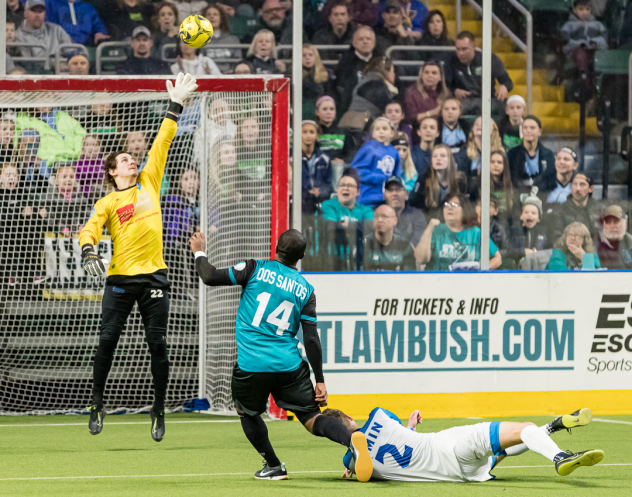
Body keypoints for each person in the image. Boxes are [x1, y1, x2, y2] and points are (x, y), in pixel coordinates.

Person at [79, 72, 198, 441]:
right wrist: (87, 250)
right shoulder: (108, 201)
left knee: (158, 345)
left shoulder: (150, 181)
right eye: (126, 160)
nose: (133, 161)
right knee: (106, 342)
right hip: (120, 279)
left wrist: (175, 105)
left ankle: (158, 409)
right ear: (112, 172)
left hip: (155, 277)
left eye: (134, 158)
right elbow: (89, 229)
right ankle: (97, 402)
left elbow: (162, 140)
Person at [190, 228, 358, 480]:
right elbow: (311, 339)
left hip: (251, 365)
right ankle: (353, 442)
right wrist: (320, 380)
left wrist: (199, 251)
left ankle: (274, 465)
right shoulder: (306, 289)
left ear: (276, 247)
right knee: (312, 417)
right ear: (301, 256)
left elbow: (210, 276)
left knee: (247, 412)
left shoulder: (253, 268)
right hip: (289, 367)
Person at [327, 406, 602, 483]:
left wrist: (349, 468)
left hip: (458, 475)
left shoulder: (350, 460)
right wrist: (409, 425)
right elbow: (399, 436)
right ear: (350, 417)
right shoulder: (378, 414)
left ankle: (553, 426)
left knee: (501, 451)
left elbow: (367, 458)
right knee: (525, 429)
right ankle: (559, 457)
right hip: (449, 444)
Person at [419, 192, 501, 270]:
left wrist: (479, 272)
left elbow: (497, 259)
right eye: (446, 204)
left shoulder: (475, 233)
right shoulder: (435, 230)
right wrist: (429, 228)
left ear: (464, 210)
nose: (449, 207)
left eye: (454, 204)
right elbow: (421, 259)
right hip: (439, 281)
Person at [444, 31, 513, 116]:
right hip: (463, 103)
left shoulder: (489, 60)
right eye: (458, 49)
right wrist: (454, 91)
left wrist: (504, 86)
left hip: (487, 101)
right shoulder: (451, 62)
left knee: (504, 105)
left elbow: (508, 82)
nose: (460, 53)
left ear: (473, 47)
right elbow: (445, 86)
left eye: (464, 49)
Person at [321, 168, 374, 271]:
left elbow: (371, 226)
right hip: (333, 259)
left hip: (359, 260)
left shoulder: (365, 210)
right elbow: (331, 227)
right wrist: (358, 226)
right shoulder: (328, 205)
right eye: (342, 185)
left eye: (350, 185)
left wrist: (347, 225)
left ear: (358, 191)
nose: (345, 188)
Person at [350, 117, 400, 209]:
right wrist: (379, 178)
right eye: (377, 129)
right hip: (366, 198)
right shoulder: (367, 149)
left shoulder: (394, 152)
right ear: (373, 133)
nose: (381, 132)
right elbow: (355, 171)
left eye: (384, 129)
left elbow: (396, 175)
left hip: (386, 200)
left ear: (392, 133)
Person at [409, 144, 463, 221]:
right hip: (429, 224)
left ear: (450, 160)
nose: (438, 159)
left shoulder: (459, 181)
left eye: (442, 156)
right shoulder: (423, 180)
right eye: (435, 156)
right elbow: (414, 205)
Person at [15, 107, 86, 165]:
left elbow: (81, 134)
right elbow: (18, 140)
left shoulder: (63, 115)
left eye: (48, 97)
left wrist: (78, 153)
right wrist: (41, 157)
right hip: (45, 161)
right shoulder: (25, 118)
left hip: (73, 159)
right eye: (40, 98)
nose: (45, 102)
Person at [560, 0, 607, 87]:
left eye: (587, 9)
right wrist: (580, 43)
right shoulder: (569, 25)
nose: (584, 12)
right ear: (574, 10)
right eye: (581, 9)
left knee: (598, 55)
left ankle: (596, 76)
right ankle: (583, 74)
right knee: (581, 53)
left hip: (594, 51)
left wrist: (594, 42)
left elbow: (604, 41)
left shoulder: (598, 25)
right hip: (575, 52)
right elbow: (565, 42)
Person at [340, 56, 398, 126]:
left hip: (351, 124)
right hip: (361, 128)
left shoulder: (365, 82)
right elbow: (391, 110)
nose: (394, 75)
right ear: (387, 72)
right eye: (393, 71)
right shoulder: (377, 86)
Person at [334, 26, 378, 115]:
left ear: (373, 43)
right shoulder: (344, 64)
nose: (365, 41)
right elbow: (341, 90)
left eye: (368, 39)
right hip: (352, 111)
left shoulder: (384, 60)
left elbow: (395, 85)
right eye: (361, 39)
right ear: (354, 43)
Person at [15, 0, 72, 67]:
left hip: (61, 73)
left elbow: (72, 52)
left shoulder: (57, 30)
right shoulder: (18, 36)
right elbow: (28, 65)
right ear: (25, 13)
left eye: (40, 11)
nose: (37, 15)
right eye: (34, 11)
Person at [507, 115, 555, 192]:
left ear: (539, 132)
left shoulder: (548, 154)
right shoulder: (512, 154)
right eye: (525, 128)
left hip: (542, 196)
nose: (528, 131)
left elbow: (550, 181)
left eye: (532, 128)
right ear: (522, 131)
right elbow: (511, 179)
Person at [469, 149, 515, 226]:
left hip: (506, 225)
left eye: (499, 162)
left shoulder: (512, 184)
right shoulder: (477, 185)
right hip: (483, 226)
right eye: (492, 162)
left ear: (505, 165)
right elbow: (471, 209)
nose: (495, 165)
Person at [363, 204, 417, 271]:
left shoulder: (404, 244)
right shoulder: (363, 244)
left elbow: (409, 276)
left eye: (384, 216)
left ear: (395, 221)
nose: (380, 220)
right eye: (376, 217)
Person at [549, 173, 601, 242]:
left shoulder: (599, 209)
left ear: (590, 188)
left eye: (582, 184)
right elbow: (556, 239)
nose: (578, 188)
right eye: (574, 184)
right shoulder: (560, 211)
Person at [383, 175, 427, 251]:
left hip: (409, 259)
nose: (394, 193)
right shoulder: (378, 215)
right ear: (384, 196)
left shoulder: (417, 215)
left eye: (398, 189)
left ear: (406, 195)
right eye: (390, 190)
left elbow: (419, 243)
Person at [455, 116, 502, 182]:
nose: (479, 126)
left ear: (493, 130)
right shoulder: (464, 151)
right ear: (473, 129)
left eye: (484, 124)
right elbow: (461, 177)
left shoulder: (500, 152)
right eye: (476, 124)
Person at [404, 61, 451, 125]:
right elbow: (410, 117)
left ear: (440, 77)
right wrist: (432, 113)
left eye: (434, 73)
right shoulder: (411, 92)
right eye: (426, 72)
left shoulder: (446, 93)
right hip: (417, 129)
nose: (430, 75)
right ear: (422, 75)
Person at [301, 121, 332, 215]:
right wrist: (307, 193)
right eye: (304, 132)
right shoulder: (290, 157)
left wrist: (321, 191)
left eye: (311, 132)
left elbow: (328, 183)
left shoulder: (325, 158)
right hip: (299, 200)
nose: (308, 135)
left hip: (320, 201)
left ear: (317, 135)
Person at [507, 193, 547, 265]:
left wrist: (538, 254)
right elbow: (507, 251)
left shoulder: (543, 233)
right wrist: (523, 252)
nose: (530, 215)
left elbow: (548, 252)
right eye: (526, 212)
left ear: (538, 218)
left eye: (533, 213)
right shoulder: (514, 231)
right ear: (521, 216)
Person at [203, 4, 241, 74]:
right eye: (208, 14)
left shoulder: (233, 40)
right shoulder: (199, 40)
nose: (212, 17)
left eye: (215, 14)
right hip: (207, 76)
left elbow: (238, 62)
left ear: (221, 18)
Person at [315, 96, 352, 163]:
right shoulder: (312, 132)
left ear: (335, 112)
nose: (328, 112)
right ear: (317, 112)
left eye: (331, 109)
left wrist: (342, 160)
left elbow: (350, 155)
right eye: (325, 109)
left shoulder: (343, 132)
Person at [302, 45, 333, 120]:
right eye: (304, 55)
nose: (307, 58)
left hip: (320, 111)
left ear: (316, 57)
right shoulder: (294, 75)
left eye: (310, 55)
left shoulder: (326, 74)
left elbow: (329, 95)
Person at [597, 205, 632, 269]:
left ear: (625, 223)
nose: (612, 226)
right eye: (608, 222)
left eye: (616, 221)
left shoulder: (630, 242)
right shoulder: (596, 244)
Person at [72, 134, 105, 200]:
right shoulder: (77, 165)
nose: (91, 148)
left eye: (94, 145)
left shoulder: (104, 164)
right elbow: (76, 183)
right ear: (83, 149)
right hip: (83, 198)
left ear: (99, 148)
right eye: (87, 145)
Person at [410, 115, 439, 180]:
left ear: (437, 133)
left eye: (432, 128)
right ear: (418, 132)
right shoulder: (410, 153)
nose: (428, 130)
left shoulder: (442, 153)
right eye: (424, 127)